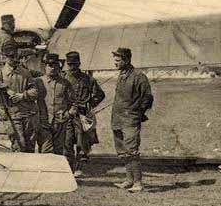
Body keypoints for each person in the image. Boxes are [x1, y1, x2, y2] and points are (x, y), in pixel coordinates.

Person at [111, 48, 154, 192]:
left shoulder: (138, 76)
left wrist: (136, 112)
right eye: (115, 60)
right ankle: (129, 180)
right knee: (122, 150)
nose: (115, 63)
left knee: (132, 150)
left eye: (117, 60)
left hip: (130, 119)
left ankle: (138, 183)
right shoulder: (121, 75)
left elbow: (147, 97)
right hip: (117, 119)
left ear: (126, 60)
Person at [0, 44, 39, 152]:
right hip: (11, 115)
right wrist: (5, 88)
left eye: (16, 56)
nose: (14, 59)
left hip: (28, 114)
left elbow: (34, 92)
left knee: (30, 145)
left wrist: (22, 95)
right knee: (19, 144)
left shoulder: (25, 72)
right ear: (5, 57)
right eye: (11, 57)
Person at [63, 51, 106, 177]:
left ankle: (79, 168)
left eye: (75, 64)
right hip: (68, 114)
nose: (72, 67)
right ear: (67, 64)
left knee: (82, 142)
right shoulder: (63, 78)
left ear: (79, 64)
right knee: (67, 141)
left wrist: (90, 104)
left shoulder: (88, 79)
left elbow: (100, 94)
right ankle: (68, 169)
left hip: (82, 115)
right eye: (70, 64)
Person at [35, 53, 75, 165]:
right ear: (45, 67)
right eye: (49, 65)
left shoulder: (65, 83)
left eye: (55, 66)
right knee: (45, 150)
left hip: (60, 122)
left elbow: (73, 103)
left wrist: (69, 113)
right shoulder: (38, 82)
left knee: (58, 151)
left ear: (59, 67)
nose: (52, 68)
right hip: (44, 122)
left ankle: (56, 177)